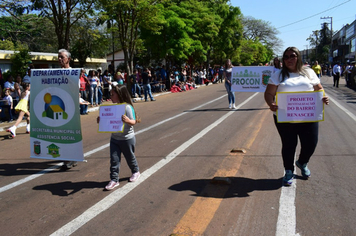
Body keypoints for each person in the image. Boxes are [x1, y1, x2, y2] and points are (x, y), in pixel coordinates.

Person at [264, 46, 329, 186]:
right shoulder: (278, 75)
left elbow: (319, 89)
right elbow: (269, 94)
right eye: (286, 57)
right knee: (289, 144)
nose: (289, 59)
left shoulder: (308, 72)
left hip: (308, 116)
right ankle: (288, 170)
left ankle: (302, 162)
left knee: (311, 143)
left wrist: (323, 97)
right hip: (284, 116)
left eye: (292, 56)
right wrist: (271, 103)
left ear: (298, 57)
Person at [97, 85, 141, 190]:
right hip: (115, 139)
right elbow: (108, 121)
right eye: (110, 94)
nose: (111, 96)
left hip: (127, 139)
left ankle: (136, 171)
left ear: (120, 95)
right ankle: (114, 179)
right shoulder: (112, 108)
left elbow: (133, 121)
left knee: (130, 157)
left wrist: (128, 121)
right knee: (114, 160)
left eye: (113, 94)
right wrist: (101, 120)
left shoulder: (127, 107)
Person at [58, 49, 78, 170]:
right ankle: (69, 158)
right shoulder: (55, 73)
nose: (60, 59)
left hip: (71, 108)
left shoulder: (73, 73)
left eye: (62, 57)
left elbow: (76, 90)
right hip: (59, 108)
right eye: (58, 57)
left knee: (70, 134)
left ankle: (70, 158)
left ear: (68, 59)